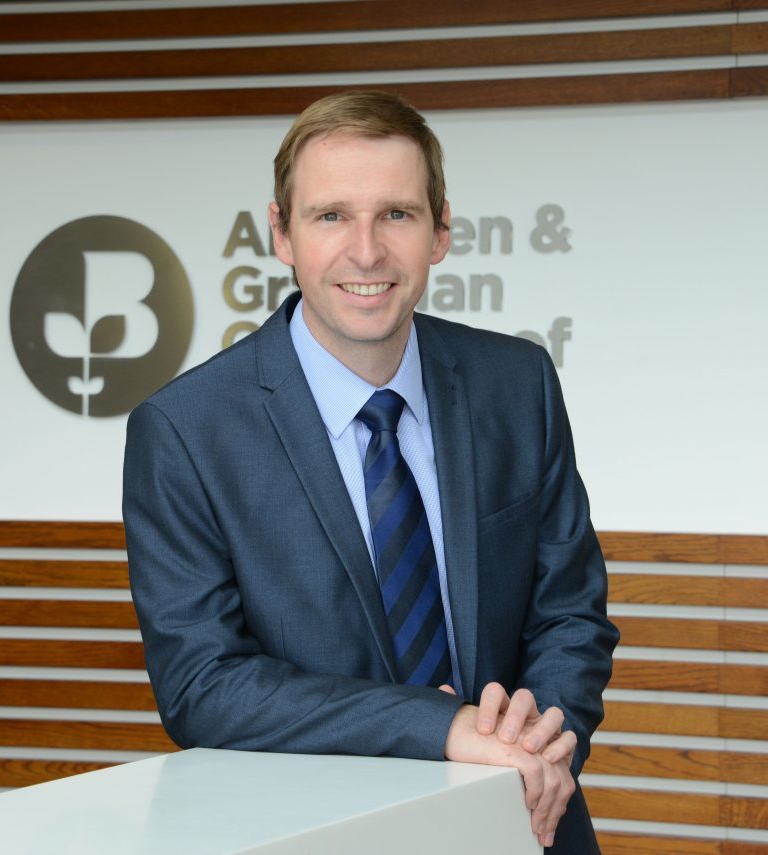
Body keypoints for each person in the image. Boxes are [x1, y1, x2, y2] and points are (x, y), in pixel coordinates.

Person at [123, 90, 618, 853]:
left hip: (526, 820)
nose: (366, 251)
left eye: (396, 214)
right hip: (317, 835)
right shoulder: (186, 430)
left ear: (442, 230)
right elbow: (204, 685)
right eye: (330, 216)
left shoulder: (517, 384)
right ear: (281, 234)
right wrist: (444, 729)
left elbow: (570, 614)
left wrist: (539, 746)